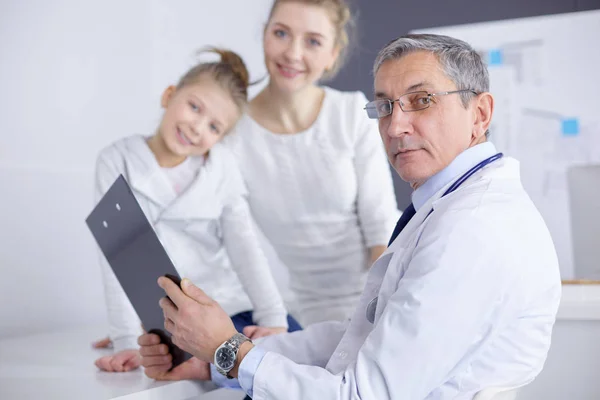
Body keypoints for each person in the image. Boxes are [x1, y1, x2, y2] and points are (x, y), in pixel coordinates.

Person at [138, 34, 562, 399]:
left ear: (480, 114)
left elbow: (360, 394)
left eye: (421, 101)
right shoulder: (451, 206)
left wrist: (228, 351)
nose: (395, 127)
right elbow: (356, 337)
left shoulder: (473, 230)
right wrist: (211, 362)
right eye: (384, 107)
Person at [91, 48, 300, 373]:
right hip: (166, 322)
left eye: (214, 127)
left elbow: (245, 248)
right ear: (169, 95)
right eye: (194, 107)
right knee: (186, 355)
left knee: (294, 346)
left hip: (225, 308)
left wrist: (273, 318)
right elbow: (116, 257)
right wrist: (126, 340)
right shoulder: (117, 160)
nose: (197, 127)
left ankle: (207, 366)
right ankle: (197, 365)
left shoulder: (221, 168)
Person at [222, 0, 400, 326]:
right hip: (305, 311)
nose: (292, 53)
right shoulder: (233, 135)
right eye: (281, 33)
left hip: (388, 291)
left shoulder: (350, 114)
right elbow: (223, 236)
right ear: (264, 35)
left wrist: (375, 319)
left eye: (313, 41)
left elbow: (382, 229)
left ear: (333, 53)